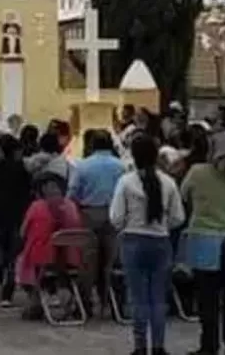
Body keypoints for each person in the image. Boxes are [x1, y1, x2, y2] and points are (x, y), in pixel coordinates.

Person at [110, 134, 186, 355]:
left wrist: (128, 225)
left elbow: (116, 217)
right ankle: (159, 346)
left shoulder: (126, 182)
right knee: (158, 297)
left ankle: (140, 345)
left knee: (138, 297)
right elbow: (178, 218)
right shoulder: (168, 182)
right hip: (160, 242)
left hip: (133, 241)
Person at [178, 131, 225, 355]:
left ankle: (208, 346)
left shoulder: (197, 172)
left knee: (207, 301)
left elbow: (183, 195)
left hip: (205, 242)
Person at [67, 130, 124, 315]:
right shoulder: (120, 166)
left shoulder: (83, 166)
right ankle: (113, 304)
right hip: (114, 213)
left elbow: (73, 192)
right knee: (112, 261)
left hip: (89, 214)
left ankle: (85, 304)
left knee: (88, 262)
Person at [16, 175, 84, 320]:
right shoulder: (71, 206)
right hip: (71, 261)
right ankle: (67, 300)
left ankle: (36, 304)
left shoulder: (36, 207)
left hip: (43, 261)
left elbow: (23, 232)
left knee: (22, 263)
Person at [0, 134, 32, 307]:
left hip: (1, 218)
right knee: (17, 255)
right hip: (18, 217)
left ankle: (8, 290)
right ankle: (22, 288)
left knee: (6, 256)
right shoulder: (21, 170)